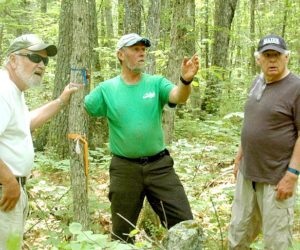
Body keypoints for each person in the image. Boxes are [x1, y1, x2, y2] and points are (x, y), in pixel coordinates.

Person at [84, 33, 199, 242]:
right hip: (124, 169)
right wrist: (81, 81)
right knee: (121, 234)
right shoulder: (107, 89)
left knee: (185, 226)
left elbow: (178, 96)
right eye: (135, 49)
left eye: (143, 49)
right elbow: (87, 105)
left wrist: (186, 80)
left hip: (160, 167)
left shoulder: (155, 83)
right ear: (120, 54)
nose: (141, 53)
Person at [0, 34, 81, 249]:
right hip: (5, 189)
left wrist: (61, 101)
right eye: (35, 57)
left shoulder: (14, 91)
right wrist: (8, 181)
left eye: (45, 60)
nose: (42, 65)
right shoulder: (3, 90)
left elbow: (26, 123)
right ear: (13, 59)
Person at [228, 34, 300, 249]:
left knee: (276, 242)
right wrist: (240, 155)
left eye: (276, 55)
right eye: (267, 55)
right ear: (258, 59)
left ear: (286, 57)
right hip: (248, 175)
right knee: (238, 234)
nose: (272, 60)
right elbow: (251, 122)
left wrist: (292, 174)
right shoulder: (257, 83)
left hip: (276, 178)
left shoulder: (296, 88)